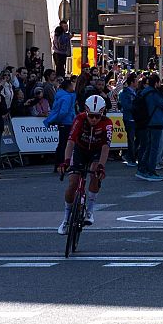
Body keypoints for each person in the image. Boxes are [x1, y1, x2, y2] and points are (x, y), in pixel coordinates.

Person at [57, 95, 112, 235]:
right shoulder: (79, 119)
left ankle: (90, 210)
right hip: (81, 150)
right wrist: (66, 161)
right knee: (73, 183)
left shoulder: (107, 123)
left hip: (96, 151)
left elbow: (106, 147)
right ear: (86, 112)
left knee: (94, 171)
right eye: (91, 116)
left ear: (103, 113)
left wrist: (101, 166)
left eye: (97, 116)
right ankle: (66, 219)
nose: (94, 119)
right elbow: (70, 142)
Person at [43, 78, 78, 174]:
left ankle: (58, 165)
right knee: (66, 145)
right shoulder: (67, 97)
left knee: (61, 145)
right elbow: (64, 111)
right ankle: (63, 165)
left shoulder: (61, 95)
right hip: (67, 122)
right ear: (69, 86)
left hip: (64, 123)